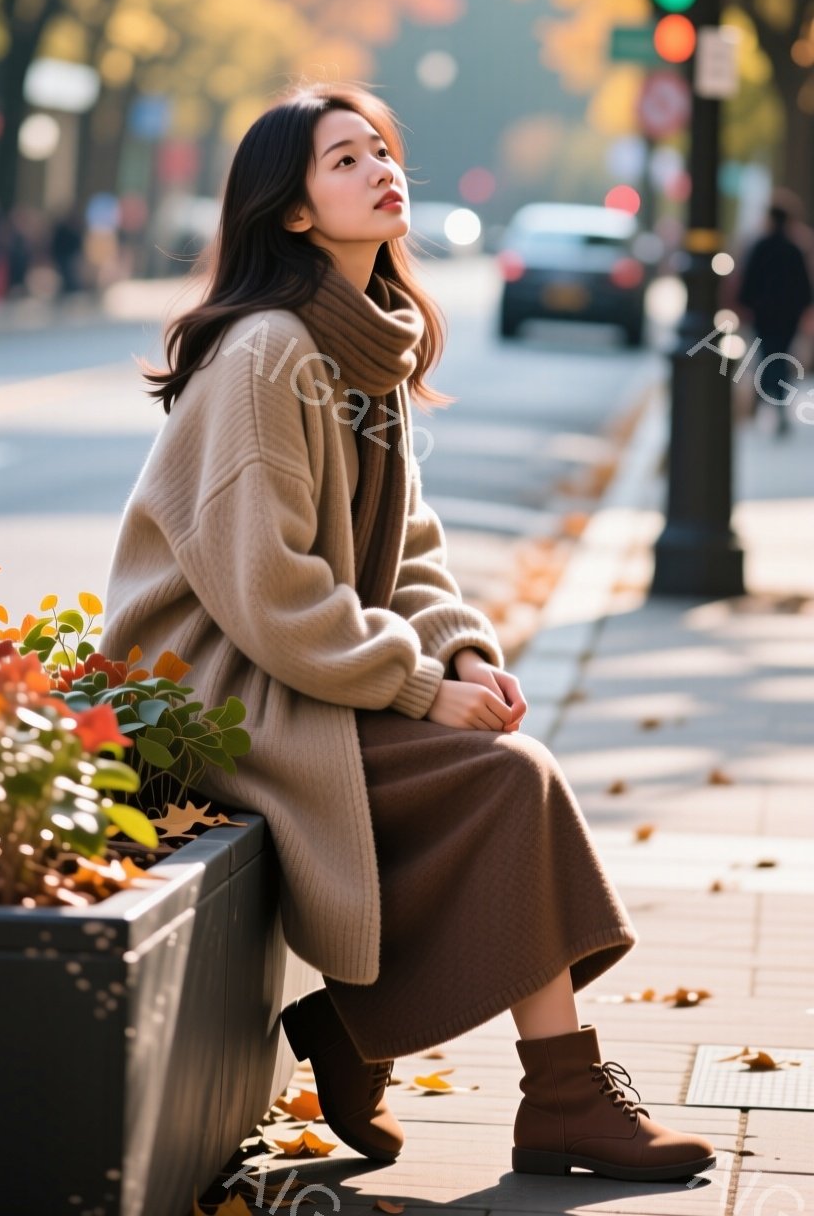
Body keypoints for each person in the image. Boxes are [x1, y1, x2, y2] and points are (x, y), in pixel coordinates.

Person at [100, 83, 716, 1183]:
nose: (382, 169)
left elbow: (411, 545)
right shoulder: (265, 353)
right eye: (344, 160)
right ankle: (530, 1084)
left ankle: (403, 1045)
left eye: (381, 150)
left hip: (290, 672)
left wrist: (464, 648)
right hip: (220, 698)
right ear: (292, 211)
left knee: (498, 772)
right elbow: (270, 588)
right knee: (502, 780)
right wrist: (419, 688)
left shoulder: (354, 344)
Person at [736, 200, 813, 435]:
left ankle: (767, 402)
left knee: (768, 356)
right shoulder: (792, 249)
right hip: (787, 316)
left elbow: (748, 281)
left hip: (765, 314)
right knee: (779, 357)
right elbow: (803, 286)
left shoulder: (761, 246)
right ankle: (774, 404)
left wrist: (747, 305)